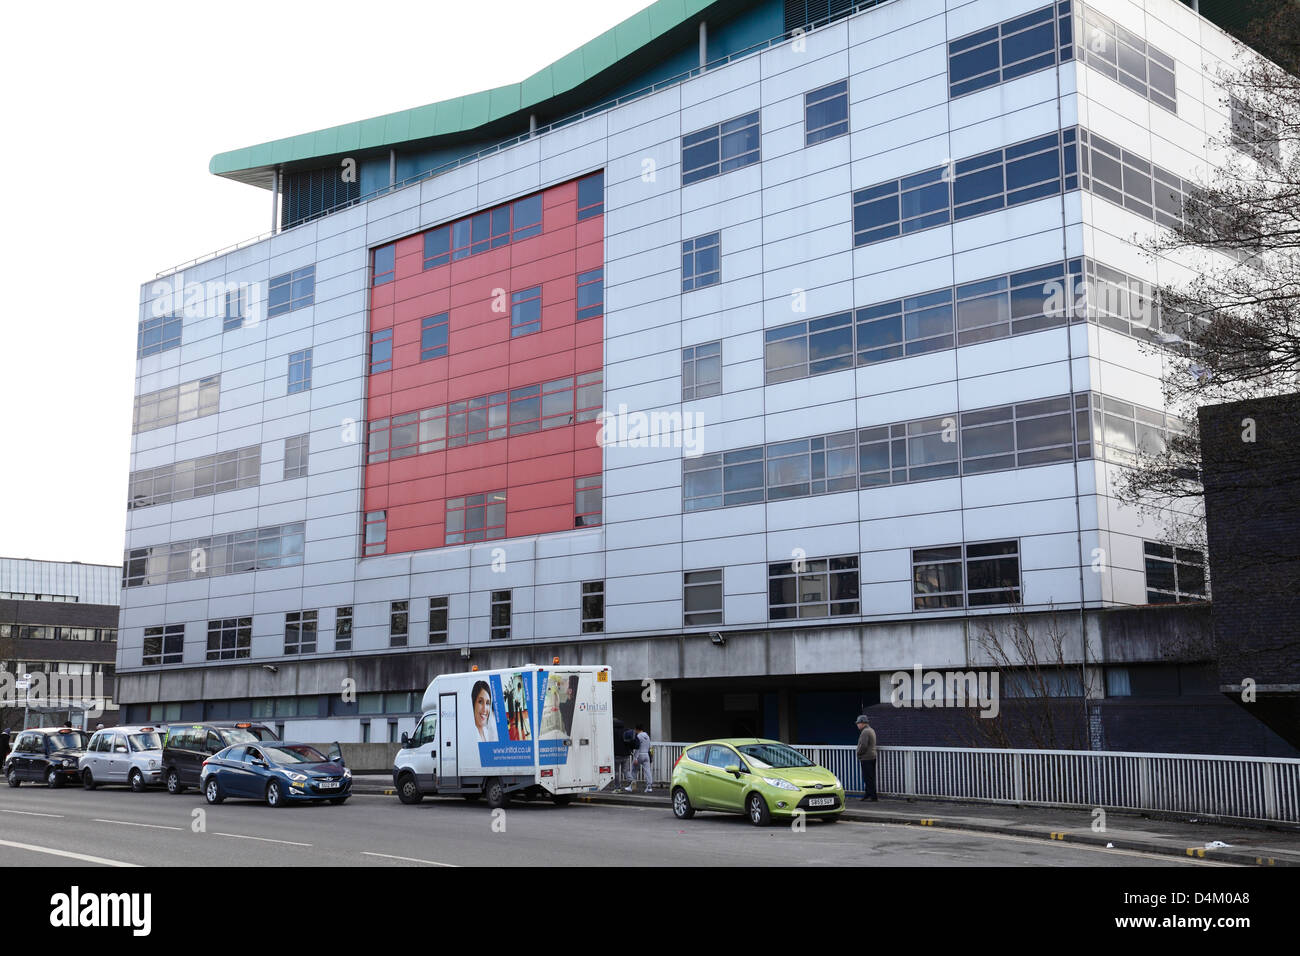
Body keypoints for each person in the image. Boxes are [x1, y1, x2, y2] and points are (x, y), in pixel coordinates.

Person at [855, 715, 878, 801]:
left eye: (858, 723)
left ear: (863, 723)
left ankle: (873, 796)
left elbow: (863, 745)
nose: (857, 725)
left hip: (866, 757)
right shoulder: (871, 730)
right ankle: (868, 794)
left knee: (867, 777)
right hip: (872, 756)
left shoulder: (865, 732)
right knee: (870, 777)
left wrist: (858, 753)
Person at [629, 724, 653, 793]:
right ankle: (649, 787)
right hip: (646, 755)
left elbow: (637, 748)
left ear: (637, 729)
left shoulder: (638, 736)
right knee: (647, 771)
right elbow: (649, 746)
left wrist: (635, 758)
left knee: (634, 771)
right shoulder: (647, 736)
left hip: (639, 755)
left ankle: (632, 787)